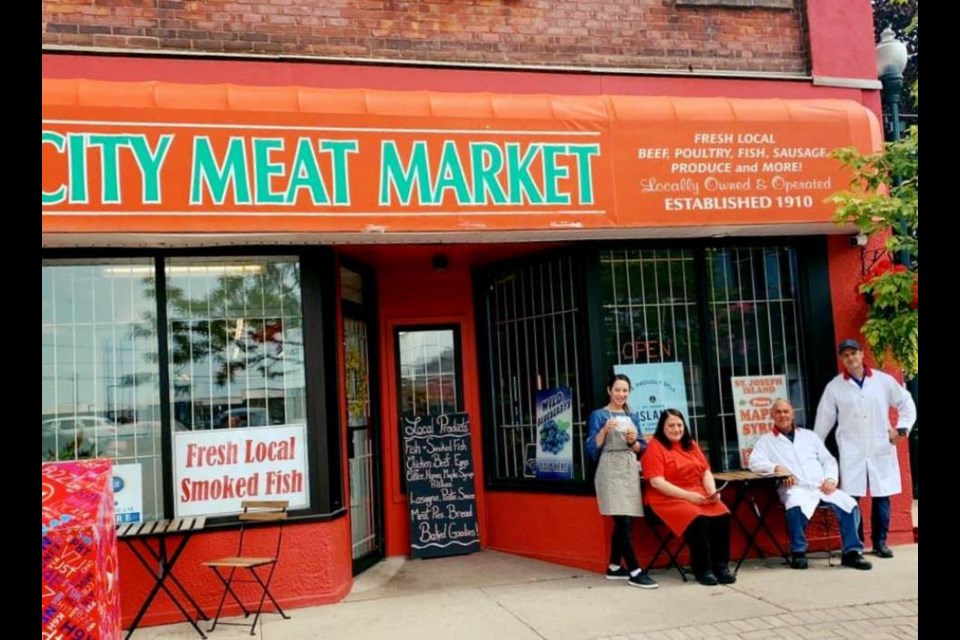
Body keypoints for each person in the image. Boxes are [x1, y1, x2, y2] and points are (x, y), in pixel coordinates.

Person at [813, 338, 917, 558]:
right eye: (846, 355)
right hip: (852, 451)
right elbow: (824, 420)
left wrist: (901, 429)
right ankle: (855, 545)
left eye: (854, 353)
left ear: (862, 355)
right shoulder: (835, 387)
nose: (850, 358)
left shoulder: (883, 381)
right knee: (852, 499)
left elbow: (906, 402)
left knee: (882, 496)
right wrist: (814, 450)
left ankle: (880, 542)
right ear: (842, 359)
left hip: (880, 447)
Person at [748, 399, 872, 570]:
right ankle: (798, 551)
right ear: (772, 415)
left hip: (821, 486)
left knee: (850, 505)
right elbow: (754, 462)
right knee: (795, 506)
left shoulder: (809, 436)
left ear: (792, 414)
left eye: (786, 411)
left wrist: (830, 479)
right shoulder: (766, 441)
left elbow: (828, 461)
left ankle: (852, 552)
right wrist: (776, 468)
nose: (782, 415)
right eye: (778, 412)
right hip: (795, 488)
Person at [642, 408, 734, 586]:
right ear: (662, 427)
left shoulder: (691, 444)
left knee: (723, 514)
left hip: (697, 492)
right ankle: (703, 569)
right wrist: (688, 497)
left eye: (679, 425)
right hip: (666, 498)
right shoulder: (655, 447)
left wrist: (711, 491)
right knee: (698, 518)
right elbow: (656, 483)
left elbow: (705, 470)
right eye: (671, 425)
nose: (676, 429)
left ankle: (721, 566)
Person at [586, 373, 659, 589]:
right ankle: (635, 570)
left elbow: (642, 448)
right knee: (622, 519)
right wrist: (604, 431)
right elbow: (591, 448)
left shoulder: (633, 416)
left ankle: (614, 566)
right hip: (609, 466)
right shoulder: (598, 415)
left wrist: (633, 442)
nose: (621, 394)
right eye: (617, 390)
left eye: (625, 390)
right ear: (609, 390)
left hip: (628, 467)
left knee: (627, 519)